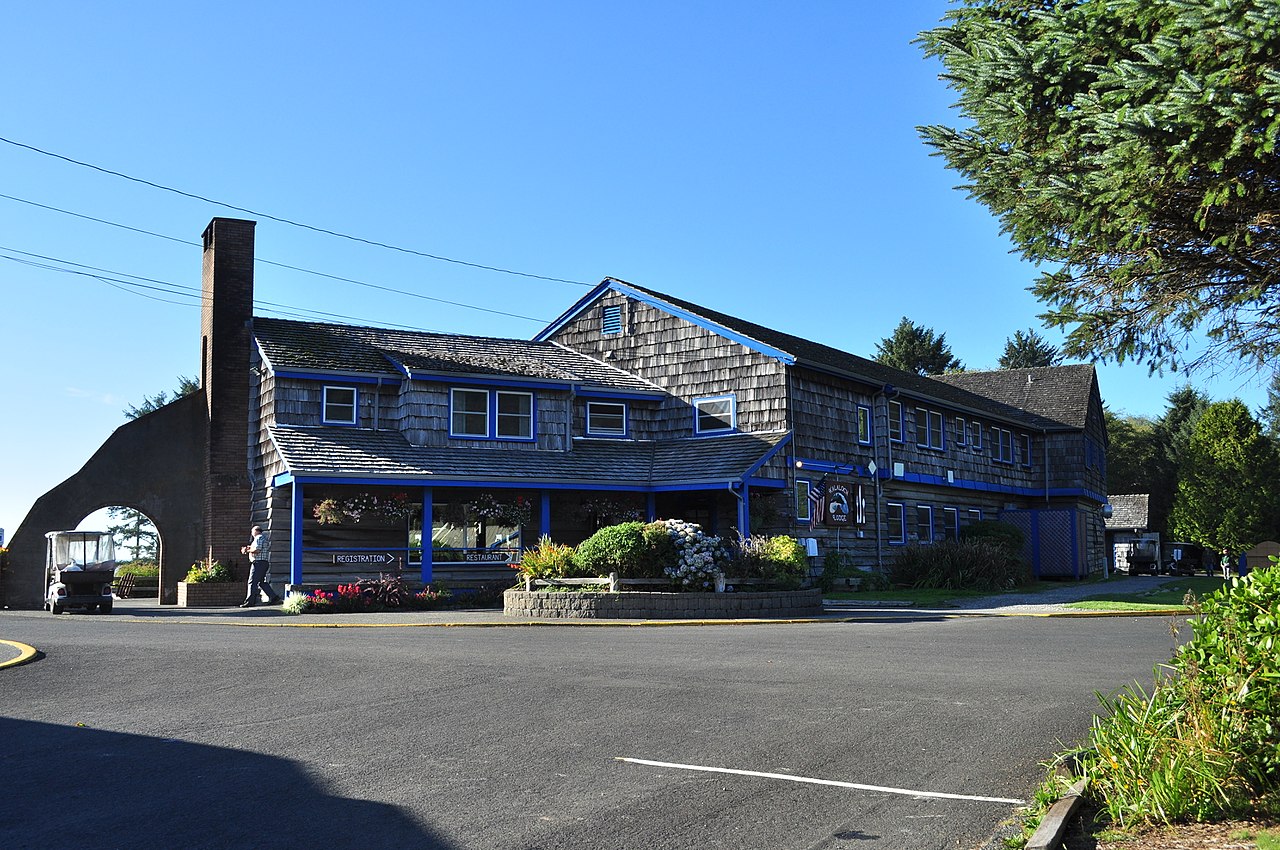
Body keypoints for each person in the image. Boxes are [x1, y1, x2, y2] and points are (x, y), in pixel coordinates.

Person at [240, 525, 283, 607]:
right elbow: (258, 548)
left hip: (258, 563)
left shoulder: (258, 537)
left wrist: (247, 550)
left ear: (256, 531)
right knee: (261, 582)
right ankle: (274, 598)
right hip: (263, 563)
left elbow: (257, 550)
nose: (252, 534)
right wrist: (250, 548)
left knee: (252, 582)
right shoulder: (263, 538)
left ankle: (250, 601)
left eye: (252, 532)